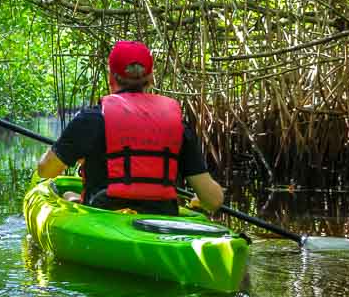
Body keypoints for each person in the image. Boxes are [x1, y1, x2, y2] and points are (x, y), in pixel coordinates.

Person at [36, 41, 223, 214]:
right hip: (160, 216)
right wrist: (201, 198)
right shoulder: (177, 126)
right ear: (150, 78)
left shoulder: (91, 119)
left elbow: (46, 171)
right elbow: (213, 201)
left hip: (104, 215)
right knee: (72, 196)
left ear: (111, 77)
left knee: (68, 195)